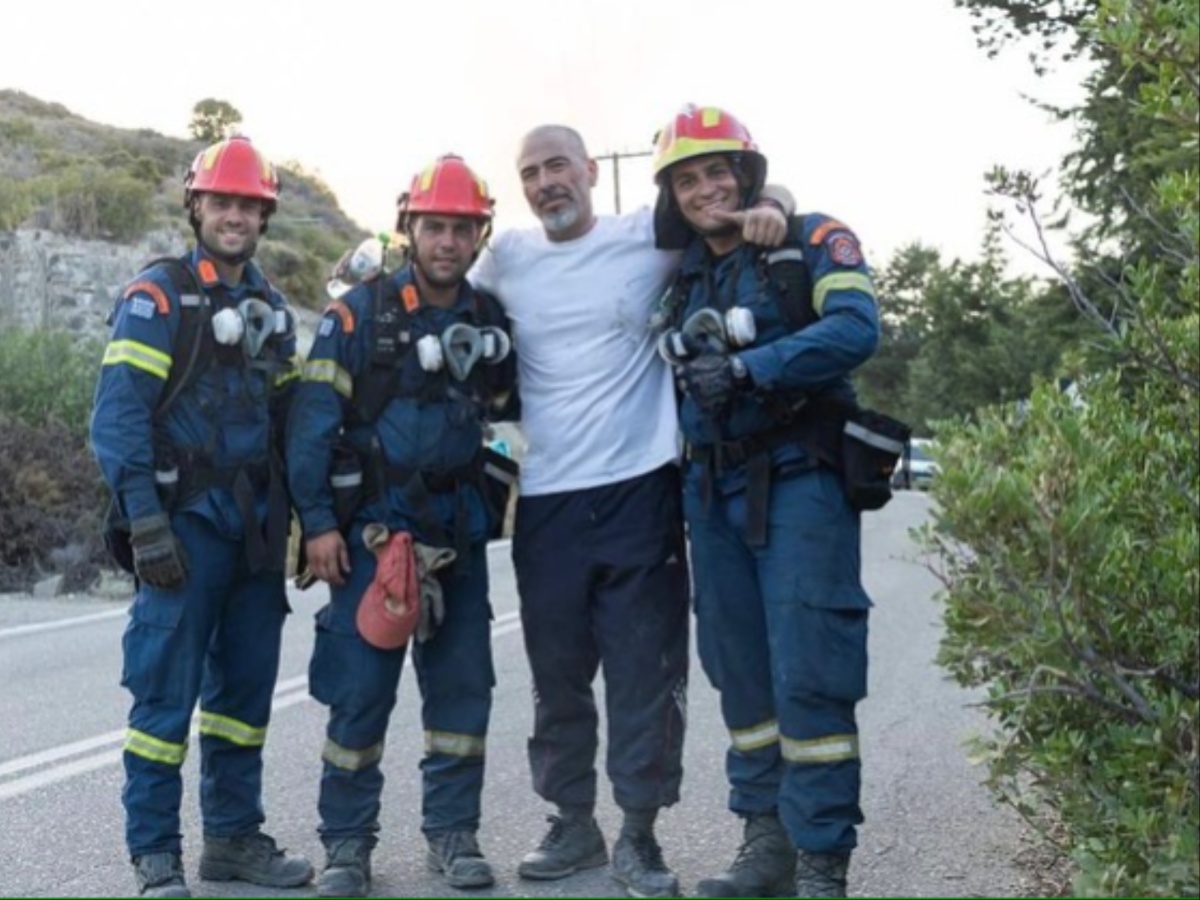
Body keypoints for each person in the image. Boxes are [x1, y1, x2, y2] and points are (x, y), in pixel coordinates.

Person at [469, 124, 793, 898]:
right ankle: (572, 823)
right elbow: (433, 276)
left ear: (588, 170)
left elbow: (729, 215)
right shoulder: (506, 256)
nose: (547, 183)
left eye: (558, 167)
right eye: (531, 173)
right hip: (543, 503)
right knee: (558, 676)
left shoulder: (647, 241)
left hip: (639, 489)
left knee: (646, 673)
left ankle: (640, 836)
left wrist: (777, 198)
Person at [650, 104, 881, 898]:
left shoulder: (811, 237)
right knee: (740, 676)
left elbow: (857, 329)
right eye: (688, 178)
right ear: (672, 196)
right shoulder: (681, 276)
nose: (706, 187)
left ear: (748, 174)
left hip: (800, 483)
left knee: (810, 668)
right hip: (709, 492)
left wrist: (755, 369)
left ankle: (822, 861)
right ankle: (766, 843)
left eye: (719, 170)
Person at [286, 154, 517, 898]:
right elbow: (312, 425)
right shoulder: (358, 314)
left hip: (457, 536)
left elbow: (512, 415)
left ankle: (454, 837)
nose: (447, 241)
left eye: (461, 228)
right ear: (408, 227)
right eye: (434, 226)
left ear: (479, 235)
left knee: (461, 696)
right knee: (359, 693)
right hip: (372, 536)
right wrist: (319, 525)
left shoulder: (488, 320)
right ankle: (348, 849)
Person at [90, 134, 312, 899]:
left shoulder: (272, 310)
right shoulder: (159, 298)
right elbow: (117, 420)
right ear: (196, 204)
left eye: (249, 206)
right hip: (182, 531)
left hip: (251, 540)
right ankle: (156, 855)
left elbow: (290, 428)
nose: (235, 216)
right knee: (164, 702)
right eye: (222, 201)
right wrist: (144, 523)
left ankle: (232, 840)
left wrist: (308, 522)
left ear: (264, 217)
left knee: (242, 705)